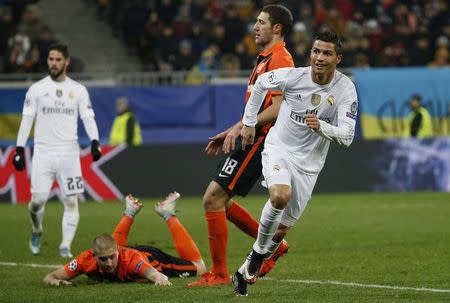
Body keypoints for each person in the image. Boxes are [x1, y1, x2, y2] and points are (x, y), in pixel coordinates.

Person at [232, 31, 359, 296]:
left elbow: (347, 137)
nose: (319, 58)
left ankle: (244, 270)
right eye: (316, 51)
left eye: (326, 53)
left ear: (338, 58)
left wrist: (322, 127)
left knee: (280, 232)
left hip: (309, 166)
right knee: (280, 196)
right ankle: (257, 257)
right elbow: (262, 84)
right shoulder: (294, 77)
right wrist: (249, 122)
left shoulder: (345, 89)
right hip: (279, 149)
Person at [188, 4, 294, 287]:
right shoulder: (264, 59)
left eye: (261, 22)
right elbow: (254, 110)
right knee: (221, 202)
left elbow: (278, 107)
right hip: (252, 135)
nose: (254, 27)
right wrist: (233, 129)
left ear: (277, 28)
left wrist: (247, 127)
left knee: (213, 199)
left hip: (263, 139)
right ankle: (275, 245)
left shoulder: (280, 60)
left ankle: (220, 274)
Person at [12, 43, 103, 258]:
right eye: (50, 59)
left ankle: (65, 245)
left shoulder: (78, 90)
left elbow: (88, 118)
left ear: (67, 62)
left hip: (69, 154)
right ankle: (37, 229)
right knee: (37, 202)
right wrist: (18, 148)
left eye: (58, 59)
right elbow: (27, 120)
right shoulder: (36, 89)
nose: (53, 63)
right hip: (43, 152)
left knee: (71, 201)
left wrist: (95, 141)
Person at [43, 192, 206, 286]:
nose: (108, 263)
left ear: (118, 252)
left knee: (200, 268)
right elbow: (49, 277)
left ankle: (168, 213)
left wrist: (159, 278)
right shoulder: (84, 260)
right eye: (103, 259)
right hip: (127, 253)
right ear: (93, 255)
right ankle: (130, 212)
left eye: (111, 258)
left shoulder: (133, 261)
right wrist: (57, 283)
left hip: (152, 258)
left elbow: (153, 273)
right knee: (113, 251)